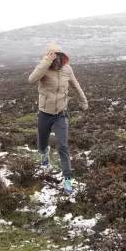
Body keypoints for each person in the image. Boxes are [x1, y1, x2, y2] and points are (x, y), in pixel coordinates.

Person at [28, 43, 88, 194]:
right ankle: (44, 153)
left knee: (63, 146)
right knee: (42, 144)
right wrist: (46, 61)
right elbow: (31, 79)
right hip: (44, 114)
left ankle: (67, 178)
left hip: (60, 114)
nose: (56, 59)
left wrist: (83, 100)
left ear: (62, 56)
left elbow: (76, 85)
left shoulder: (67, 69)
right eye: (52, 56)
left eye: (58, 56)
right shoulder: (44, 68)